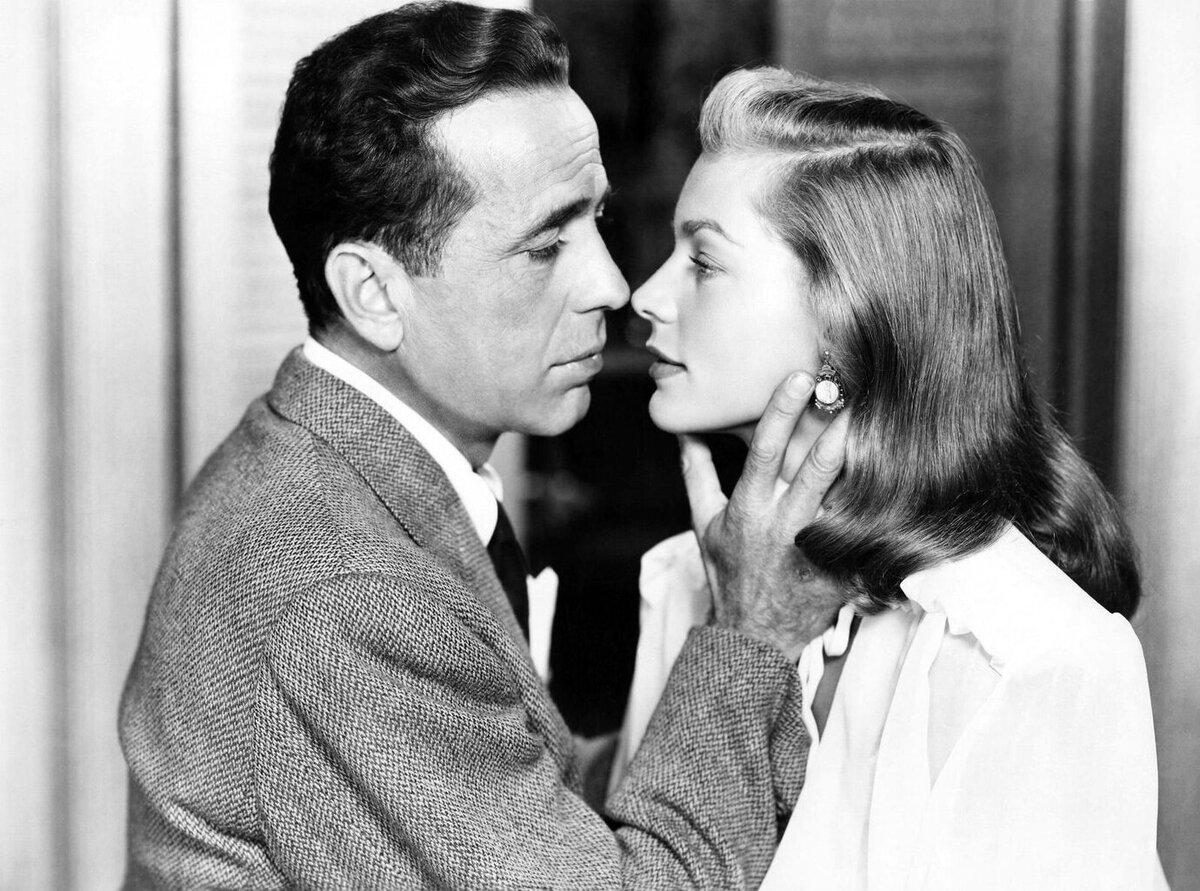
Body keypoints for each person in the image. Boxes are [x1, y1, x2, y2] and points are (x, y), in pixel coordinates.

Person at [118, 6, 848, 888]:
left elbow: (512, 789)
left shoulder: (325, 465)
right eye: (545, 246)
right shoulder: (344, 591)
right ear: (373, 292)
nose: (613, 284)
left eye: (597, 220)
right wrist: (749, 634)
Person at [622, 66, 1166, 889]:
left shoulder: (1032, 655)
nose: (646, 295)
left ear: (845, 315)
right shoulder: (683, 581)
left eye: (702, 261)